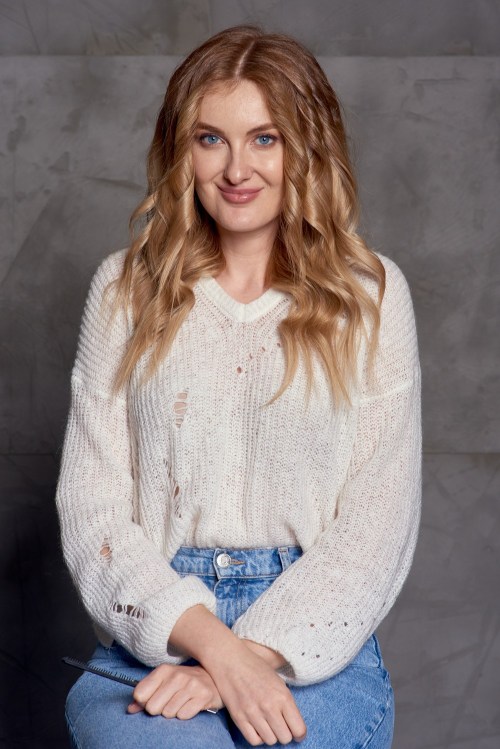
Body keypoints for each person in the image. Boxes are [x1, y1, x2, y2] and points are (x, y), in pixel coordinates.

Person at [55, 24, 422, 749]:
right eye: (210, 139)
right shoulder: (124, 293)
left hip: (316, 638)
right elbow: (92, 509)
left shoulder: (370, 297)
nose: (236, 168)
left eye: (265, 138)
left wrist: (251, 658)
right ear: (181, 152)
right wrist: (215, 651)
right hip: (157, 628)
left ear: (306, 149)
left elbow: (378, 524)